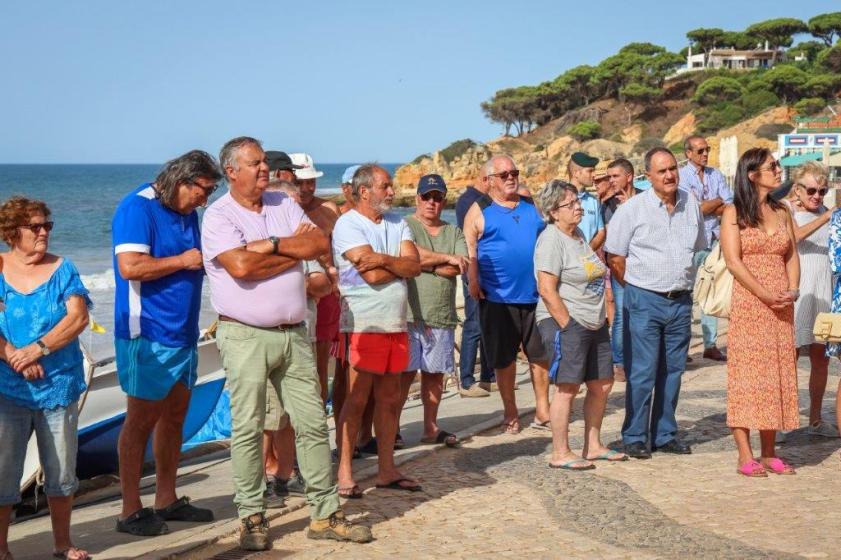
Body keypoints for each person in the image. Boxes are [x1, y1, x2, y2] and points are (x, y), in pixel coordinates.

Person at [203, 137, 371, 550]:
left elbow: (318, 244)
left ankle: (325, 513)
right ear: (232, 171)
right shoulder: (218, 216)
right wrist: (289, 253)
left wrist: (274, 246)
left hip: (294, 332)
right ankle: (252, 517)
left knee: (312, 422)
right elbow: (241, 266)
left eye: (264, 162)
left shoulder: (283, 203)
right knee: (248, 427)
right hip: (244, 334)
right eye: (255, 163)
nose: (264, 169)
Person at [112, 150, 221, 536]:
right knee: (139, 421)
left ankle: (166, 498)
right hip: (147, 334)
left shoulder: (186, 210)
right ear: (181, 181)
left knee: (175, 416)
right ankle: (129, 510)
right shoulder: (136, 208)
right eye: (203, 190)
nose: (205, 199)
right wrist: (183, 261)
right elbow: (130, 267)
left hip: (183, 332)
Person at [0, 198, 91, 560]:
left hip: (59, 384)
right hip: (9, 387)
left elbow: (78, 318)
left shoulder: (62, 269)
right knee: (4, 470)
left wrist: (38, 349)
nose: (43, 232)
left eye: (47, 225)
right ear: (11, 232)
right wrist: (14, 357)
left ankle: (62, 544)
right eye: (35, 226)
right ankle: (2, 549)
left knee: (61, 469)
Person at [605, 147, 705, 459]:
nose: (670, 175)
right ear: (648, 176)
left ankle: (665, 434)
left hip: (680, 302)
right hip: (644, 300)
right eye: (661, 171)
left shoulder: (692, 205)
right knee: (642, 372)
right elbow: (615, 257)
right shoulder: (632, 210)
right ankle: (634, 436)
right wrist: (637, 290)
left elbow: (699, 247)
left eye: (673, 168)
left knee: (673, 371)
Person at [332, 164, 422, 498]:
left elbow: (414, 267)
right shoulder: (347, 225)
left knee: (389, 398)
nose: (391, 191)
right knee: (356, 399)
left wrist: (382, 260)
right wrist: (398, 266)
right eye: (385, 186)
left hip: (395, 323)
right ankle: (344, 470)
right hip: (362, 324)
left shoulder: (399, 222)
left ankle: (387, 469)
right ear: (365, 190)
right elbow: (369, 276)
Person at [534, 181, 626, 470]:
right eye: (570, 204)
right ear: (553, 212)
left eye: (577, 202)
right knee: (567, 386)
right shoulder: (551, 239)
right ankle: (560, 452)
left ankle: (593, 445)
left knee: (602, 383)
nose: (578, 207)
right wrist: (568, 324)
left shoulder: (579, 235)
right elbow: (546, 289)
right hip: (567, 321)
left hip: (594, 320)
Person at [720, 147, 800, 477]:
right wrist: (765, 293)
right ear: (753, 175)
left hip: (781, 305)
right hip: (751, 303)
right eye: (772, 167)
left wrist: (793, 290)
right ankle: (744, 454)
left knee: (776, 376)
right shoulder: (733, 212)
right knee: (747, 376)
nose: (778, 170)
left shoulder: (782, 211)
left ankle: (770, 452)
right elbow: (733, 261)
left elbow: (792, 255)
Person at [463, 154, 551, 434]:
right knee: (504, 359)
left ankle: (543, 409)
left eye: (514, 172)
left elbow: (547, 239)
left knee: (540, 356)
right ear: (489, 181)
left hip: (535, 295)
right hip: (498, 298)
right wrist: (473, 281)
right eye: (504, 175)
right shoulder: (479, 210)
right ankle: (510, 410)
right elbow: (470, 250)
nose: (511, 177)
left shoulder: (530, 206)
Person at [399, 175, 467, 447]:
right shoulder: (405, 225)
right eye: (427, 196)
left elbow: (460, 265)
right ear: (417, 198)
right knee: (402, 376)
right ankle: (392, 429)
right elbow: (408, 255)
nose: (431, 202)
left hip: (441, 314)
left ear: (444, 201)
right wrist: (444, 258)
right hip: (409, 314)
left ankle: (430, 427)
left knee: (434, 374)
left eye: (437, 198)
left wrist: (424, 263)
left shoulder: (454, 232)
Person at [789, 162, 838, 438]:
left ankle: (816, 418)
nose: (817, 196)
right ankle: (785, 418)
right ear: (797, 189)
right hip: (798, 293)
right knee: (789, 358)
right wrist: (827, 217)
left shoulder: (826, 213)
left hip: (823, 293)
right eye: (811, 190)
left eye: (822, 190)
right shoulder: (786, 211)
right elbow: (793, 237)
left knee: (822, 359)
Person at [290, 153, 341, 406]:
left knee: (321, 363)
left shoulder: (329, 210)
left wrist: (336, 280)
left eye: (311, 181)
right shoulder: (281, 210)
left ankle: (319, 418)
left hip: (328, 294)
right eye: (300, 182)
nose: (306, 188)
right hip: (295, 295)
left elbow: (342, 252)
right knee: (298, 366)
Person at [679, 135, 732, 362]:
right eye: (700, 150)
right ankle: (682, 348)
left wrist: (710, 205)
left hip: (714, 239)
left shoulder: (716, 174)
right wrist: (715, 201)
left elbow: (729, 204)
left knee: (711, 290)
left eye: (707, 150)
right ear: (688, 153)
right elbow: (693, 209)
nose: (705, 154)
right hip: (691, 241)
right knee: (687, 294)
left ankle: (710, 344)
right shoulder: (681, 176)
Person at [454, 169, 495, 398]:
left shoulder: (485, 201)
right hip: (473, 269)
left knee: (487, 323)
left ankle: (488, 377)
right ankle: (466, 380)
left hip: (487, 270)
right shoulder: (468, 202)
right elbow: (473, 239)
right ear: (486, 179)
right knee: (474, 324)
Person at [602, 159, 642, 383]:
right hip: (620, 266)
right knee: (621, 317)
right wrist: (628, 208)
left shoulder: (646, 197)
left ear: (629, 176)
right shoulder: (608, 205)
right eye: (609, 177)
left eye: (615, 176)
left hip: (645, 266)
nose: (611, 181)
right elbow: (614, 236)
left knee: (644, 315)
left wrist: (633, 204)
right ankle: (619, 362)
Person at [567, 152, 605, 251]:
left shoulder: (593, 201)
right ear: (576, 173)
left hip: (587, 261)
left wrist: (587, 252)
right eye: (590, 171)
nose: (594, 175)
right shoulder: (559, 198)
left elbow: (601, 231)